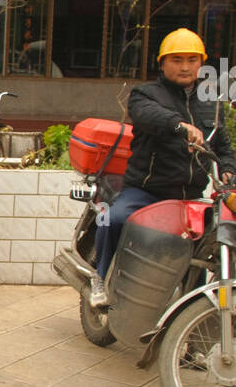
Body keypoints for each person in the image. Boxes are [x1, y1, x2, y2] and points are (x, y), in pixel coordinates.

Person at [90, 28, 236, 308]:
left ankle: (192, 304)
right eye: (177, 59)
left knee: (211, 243)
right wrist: (179, 126)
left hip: (190, 198)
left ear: (201, 63)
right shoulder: (146, 94)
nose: (185, 66)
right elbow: (148, 116)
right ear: (162, 63)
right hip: (146, 192)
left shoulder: (210, 103)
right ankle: (99, 276)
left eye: (192, 60)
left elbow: (224, 148)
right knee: (112, 217)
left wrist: (228, 170)